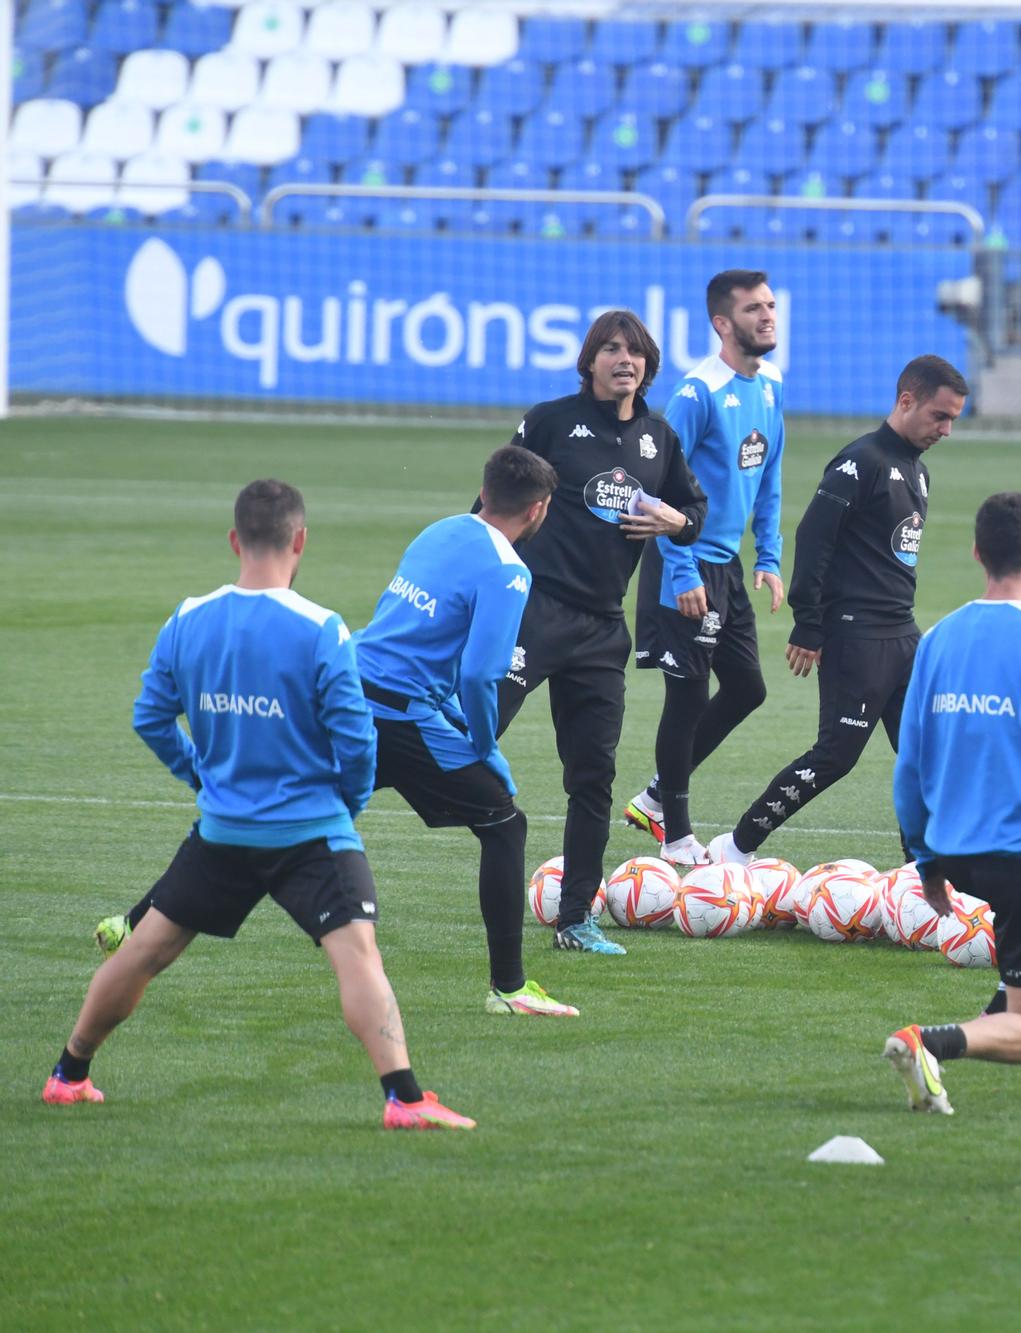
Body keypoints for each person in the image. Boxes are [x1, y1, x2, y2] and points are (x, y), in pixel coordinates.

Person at [45, 481, 473, 1130]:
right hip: (311, 831)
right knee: (357, 956)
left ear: (234, 540)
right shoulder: (321, 628)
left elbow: (151, 717)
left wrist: (200, 774)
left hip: (224, 830)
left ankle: (68, 1073)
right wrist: (349, 802)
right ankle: (405, 1099)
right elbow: (357, 740)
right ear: (300, 540)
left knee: (144, 951)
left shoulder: (188, 618)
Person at [496, 310, 707, 956]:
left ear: (648, 366)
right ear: (589, 361)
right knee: (472, 731)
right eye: (611, 350)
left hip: (600, 628)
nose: (625, 359)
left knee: (593, 775)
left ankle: (576, 918)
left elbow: (694, 511)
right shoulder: (552, 420)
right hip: (535, 607)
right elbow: (495, 501)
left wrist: (677, 522)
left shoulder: (658, 439)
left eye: (636, 351)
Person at [708, 355, 968, 866]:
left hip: (903, 637)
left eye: (954, 419)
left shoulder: (919, 472)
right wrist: (809, 622)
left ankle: (920, 870)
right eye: (940, 416)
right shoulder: (860, 461)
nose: (947, 429)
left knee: (925, 758)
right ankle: (736, 847)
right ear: (906, 400)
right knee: (836, 756)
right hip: (857, 639)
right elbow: (813, 537)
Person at [350, 445, 577, 1017]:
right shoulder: (509, 573)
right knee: (505, 824)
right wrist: (483, 745)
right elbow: (480, 675)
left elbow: (410, 631)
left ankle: (141, 923)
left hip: (348, 694)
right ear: (539, 509)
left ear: (484, 491)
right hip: (401, 719)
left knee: (284, 812)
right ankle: (509, 989)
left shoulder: (440, 529)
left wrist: (449, 712)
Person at [883, 493, 1021, 1114]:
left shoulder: (939, 638)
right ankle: (933, 1042)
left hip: (955, 851)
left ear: (977, 554)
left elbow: (909, 764)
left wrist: (926, 862)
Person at [626, 271, 786, 865]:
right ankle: (676, 835)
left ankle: (655, 796)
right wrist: (682, 569)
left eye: (770, 305)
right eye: (753, 308)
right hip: (684, 566)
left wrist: (768, 556)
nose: (767, 315)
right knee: (687, 698)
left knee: (747, 688)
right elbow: (655, 491)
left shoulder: (770, 384)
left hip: (729, 567)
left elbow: (768, 476)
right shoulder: (697, 395)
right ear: (723, 323)